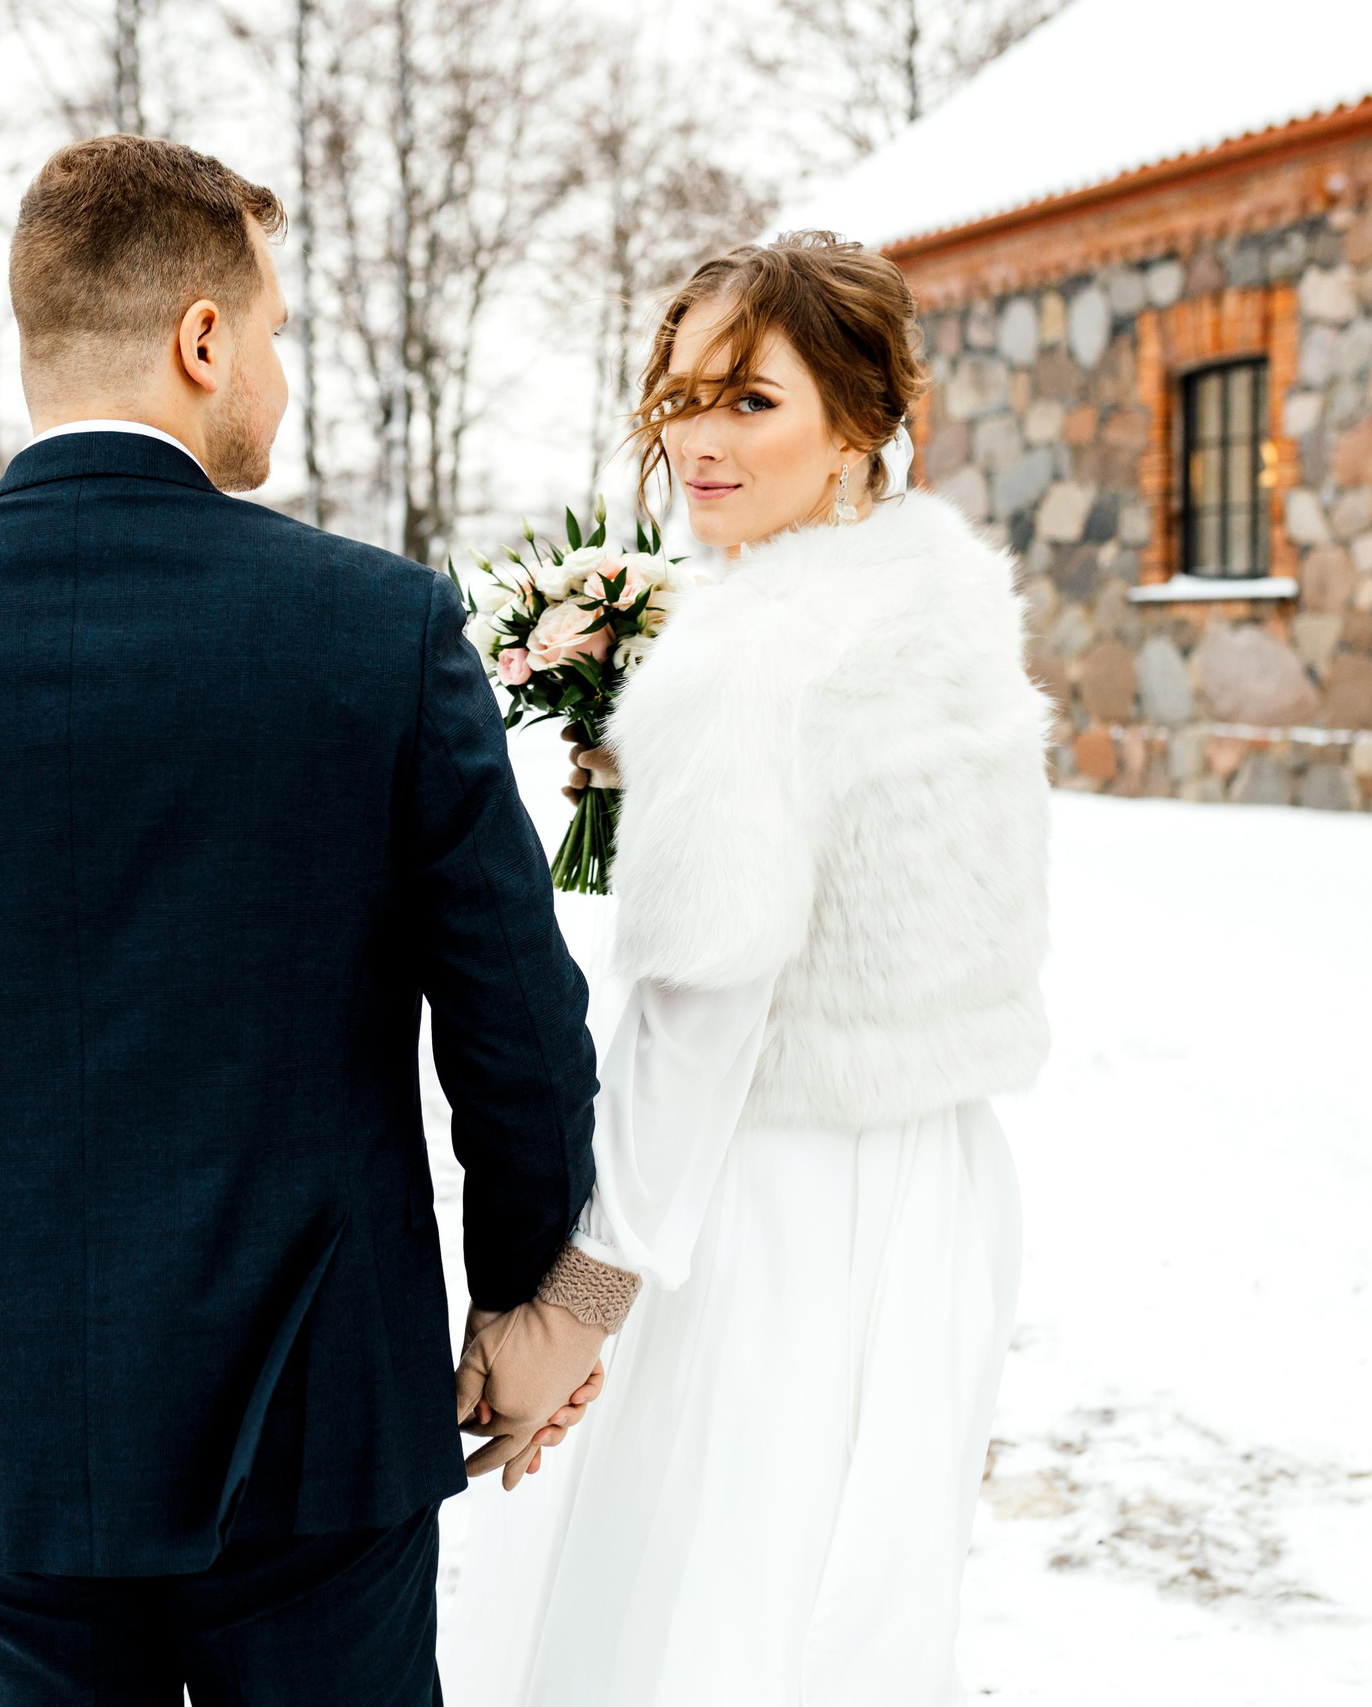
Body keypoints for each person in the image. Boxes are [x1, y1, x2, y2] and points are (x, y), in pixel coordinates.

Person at [0, 134, 635, 1707]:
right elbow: (516, 1025)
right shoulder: (380, 629)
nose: (276, 368)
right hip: (314, 1411)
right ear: (200, 337)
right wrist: (530, 1299)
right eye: (275, 331)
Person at [441, 232, 1053, 1706]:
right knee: (839, 1619)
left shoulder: (743, 661)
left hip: (761, 1212)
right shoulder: (949, 599)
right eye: (677, 399)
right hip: (936, 1189)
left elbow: (698, 1018)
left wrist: (582, 1295)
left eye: (748, 402)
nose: (697, 440)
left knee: (692, 1613)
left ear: (859, 422)